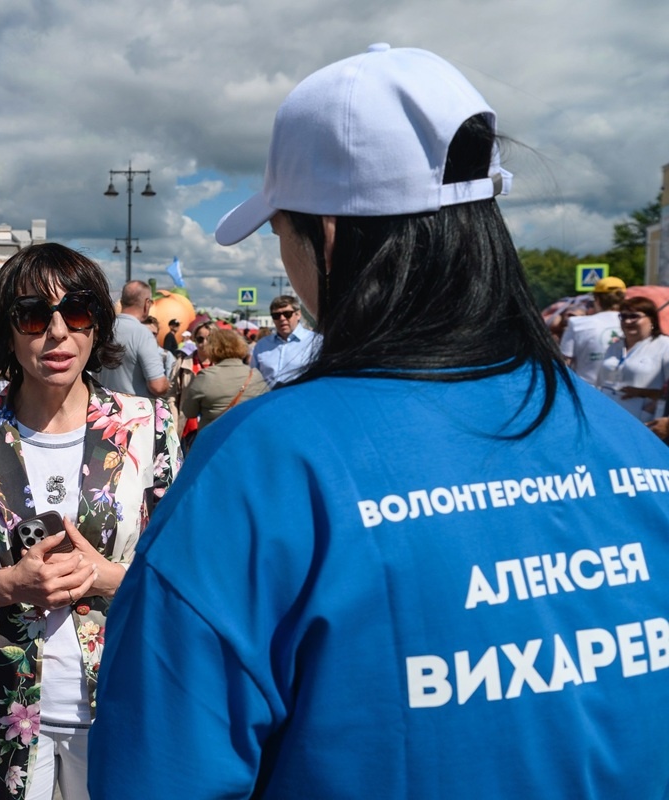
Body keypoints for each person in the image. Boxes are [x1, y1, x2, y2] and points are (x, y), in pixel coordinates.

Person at [90, 45, 669, 798]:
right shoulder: (625, 439)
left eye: (279, 229)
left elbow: (159, 774)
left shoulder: (259, 466)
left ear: (326, 233)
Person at [0, 243, 179, 800]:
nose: (56, 333)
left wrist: (106, 577)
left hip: (123, 694)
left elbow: (189, 568)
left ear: (97, 325)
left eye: (76, 312)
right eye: (33, 315)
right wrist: (10, 585)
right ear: (9, 332)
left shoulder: (148, 425)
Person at [179, 328, 268, 432]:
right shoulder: (255, 375)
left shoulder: (206, 376)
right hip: (247, 437)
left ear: (213, 349)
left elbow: (189, 412)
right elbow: (265, 408)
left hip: (214, 439)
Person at [595, 296, 669, 421]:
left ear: (652, 320)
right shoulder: (615, 346)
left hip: (643, 421)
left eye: (634, 316)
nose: (627, 321)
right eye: (623, 317)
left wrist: (646, 396)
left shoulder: (665, 346)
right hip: (608, 417)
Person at [98, 280, 168, 398]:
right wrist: (167, 383)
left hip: (104, 407)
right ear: (147, 304)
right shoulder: (142, 333)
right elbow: (158, 386)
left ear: (121, 302)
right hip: (134, 411)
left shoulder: (104, 329)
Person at [561, 276, 625, 384]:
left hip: (586, 392)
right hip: (620, 395)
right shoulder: (634, 324)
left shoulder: (576, 323)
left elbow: (564, 363)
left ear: (597, 299)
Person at [250, 294, 321, 388]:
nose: (282, 319)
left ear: (298, 314)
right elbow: (253, 377)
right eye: (276, 315)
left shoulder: (315, 342)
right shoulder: (262, 345)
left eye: (287, 314)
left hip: (301, 399)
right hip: (269, 399)